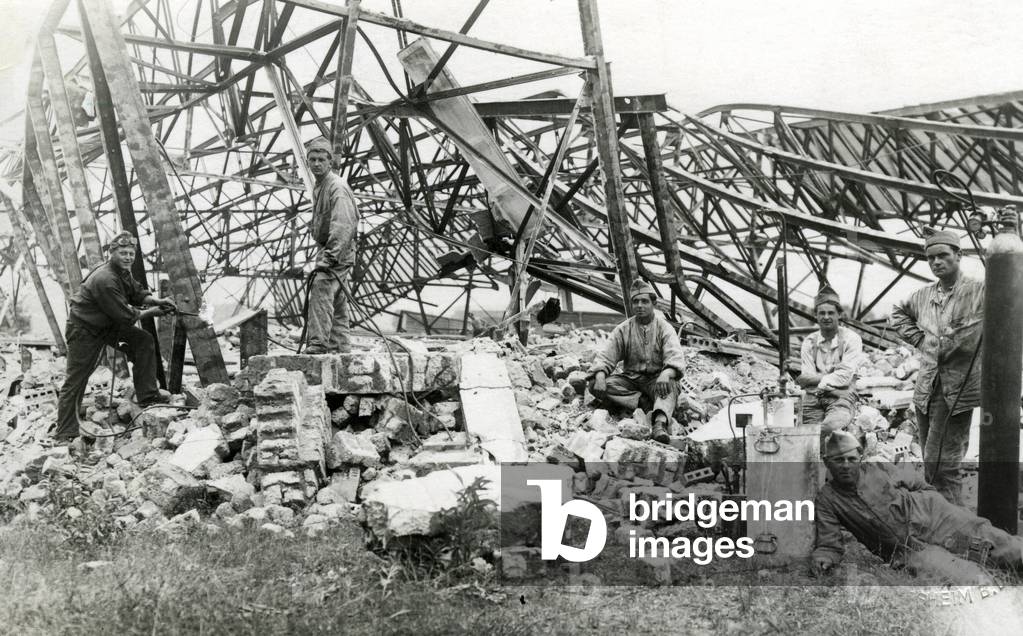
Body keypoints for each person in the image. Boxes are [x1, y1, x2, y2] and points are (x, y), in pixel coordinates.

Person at [812, 431, 1023, 583]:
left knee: (997, 548)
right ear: (827, 462)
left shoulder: (878, 466)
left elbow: (917, 483)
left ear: (860, 458)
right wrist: (825, 558)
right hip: (907, 550)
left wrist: (934, 503)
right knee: (967, 577)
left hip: (936, 520)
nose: (846, 465)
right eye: (839, 460)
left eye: (851, 459)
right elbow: (829, 543)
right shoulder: (828, 499)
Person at [55, 232, 176, 446]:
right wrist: (154, 312)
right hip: (84, 329)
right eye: (123, 253)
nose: (128, 257)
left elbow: (137, 294)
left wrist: (156, 300)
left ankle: (148, 396)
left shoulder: (122, 271)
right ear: (112, 253)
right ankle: (65, 433)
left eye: (131, 253)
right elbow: (126, 316)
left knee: (143, 341)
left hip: (106, 324)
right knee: (76, 379)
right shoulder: (105, 279)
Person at [889, 230, 983, 504]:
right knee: (932, 464)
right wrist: (920, 340)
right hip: (926, 389)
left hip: (957, 389)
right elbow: (897, 313)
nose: (936, 262)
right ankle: (941, 515)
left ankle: (952, 519)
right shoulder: (923, 295)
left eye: (942, 255)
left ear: (958, 255)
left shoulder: (979, 291)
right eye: (930, 258)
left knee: (944, 465)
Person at [587, 279, 686, 444]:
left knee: (671, 384)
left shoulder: (664, 328)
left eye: (645, 301)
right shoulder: (623, 329)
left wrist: (666, 373)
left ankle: (659, 424)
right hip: (631, 380)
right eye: (636, 301)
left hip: (657, 380)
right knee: (594, 384)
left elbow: (675, 356)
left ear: (653, 303)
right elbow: (606, 355)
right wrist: (600, 375)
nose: (640, 305)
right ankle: (643, 403)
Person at [304, 137, 358, 354]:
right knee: (337, 300)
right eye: (312, 159)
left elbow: (343, 224)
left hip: (338, 251)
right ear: (307, 162)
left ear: (330, 162)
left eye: (321, 159)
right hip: (331, 250)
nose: (316, 164)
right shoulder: (320, 186)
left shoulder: (336, 187)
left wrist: (330, 257)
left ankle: (318, 344)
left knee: (321, 287)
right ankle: (340, 347)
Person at [796, 285, 864, 441]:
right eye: (822, 313)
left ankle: (829, 452)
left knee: (829, 427)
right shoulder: (809, 342)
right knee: (803, 433)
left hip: (841, 398)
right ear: (816, 315)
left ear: (839, 314)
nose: (826, 317)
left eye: (831, 313)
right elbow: (806, 378)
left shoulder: (851, 339)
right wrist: (833, 374)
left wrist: (817, 379)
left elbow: (845, 377)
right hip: (813, 397)